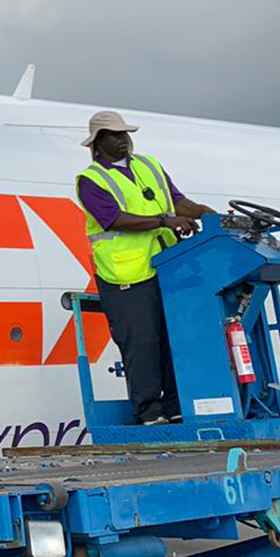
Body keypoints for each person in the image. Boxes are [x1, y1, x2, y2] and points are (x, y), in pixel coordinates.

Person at [75, 110, 215, 426]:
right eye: (115, 135)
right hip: (125, 273)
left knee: (173, 336)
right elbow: (114, 219)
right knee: (140, 342)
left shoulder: (148, 165)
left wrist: (205, 212)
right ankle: (150, 411)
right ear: (98, 142)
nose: (124, 140)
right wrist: (165, 221)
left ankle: (177, 405)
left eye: (126, 134)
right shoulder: (91, 180)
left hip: (166, 266)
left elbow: (177, 201)